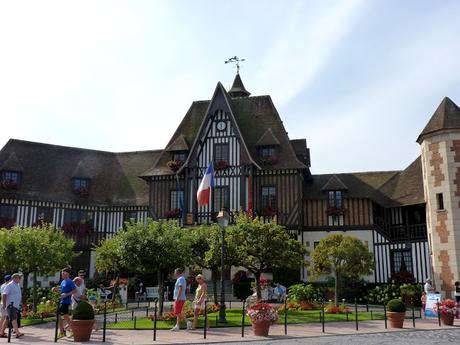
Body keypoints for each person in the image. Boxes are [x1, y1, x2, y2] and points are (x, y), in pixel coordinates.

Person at [0, 273, 24, 338]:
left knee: (7, 319)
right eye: (19, 277)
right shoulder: (10, 285)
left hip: (15, 305)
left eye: (20, 278)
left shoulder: (17, 285)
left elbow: (18, 294)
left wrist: (20, 302)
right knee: (14, 318)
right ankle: (17, 333)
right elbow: (4, 294)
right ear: (14, 278)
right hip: (10, 305)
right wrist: (4, 304)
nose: (20, 279)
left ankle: (1, 332)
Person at [56, 268, 77, 338]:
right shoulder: (63, 282)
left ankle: (62, 332)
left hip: (66, 302)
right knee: (66, 317)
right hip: (62, 301)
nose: (62, 275)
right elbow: (61, 291)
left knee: (58, 314)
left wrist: (66, 295)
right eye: (62, 273)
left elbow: (75, 290)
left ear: (67, 274)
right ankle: (72, 331)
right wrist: (56, 289)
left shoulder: (70, 282)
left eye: (63, 273)